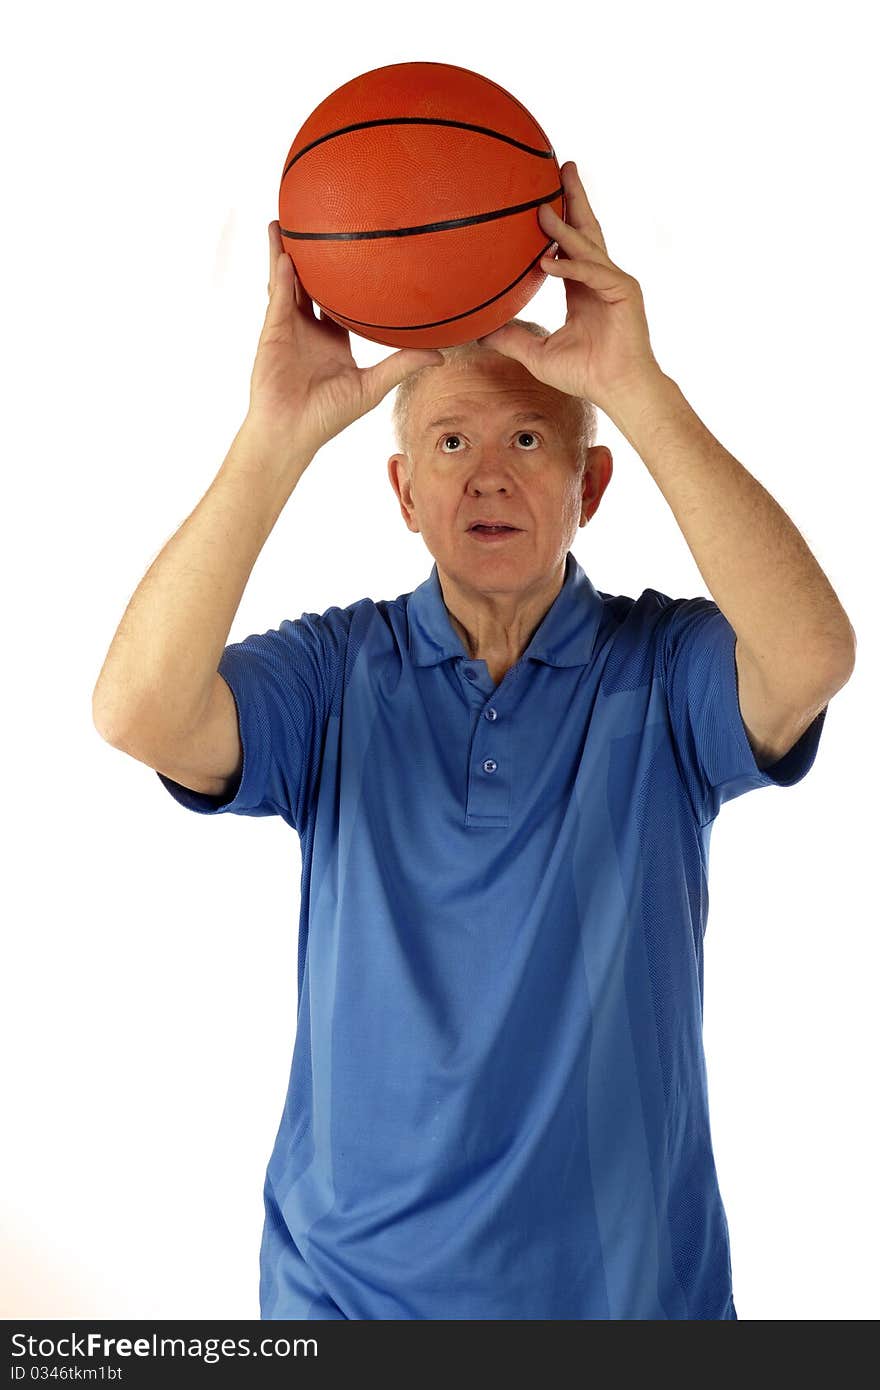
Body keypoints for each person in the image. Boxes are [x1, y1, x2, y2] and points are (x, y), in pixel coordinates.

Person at [92, 163, 855, 1319]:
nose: (487, 474)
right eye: (448, 444)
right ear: (402, 492)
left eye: (530, 442)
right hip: (345, 1298)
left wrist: (635, 387)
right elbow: (136, 710)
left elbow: (810, 658)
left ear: (591, 484)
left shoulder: (662, 670)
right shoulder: (335, 673)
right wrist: (273, 437)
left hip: (622, 1303)